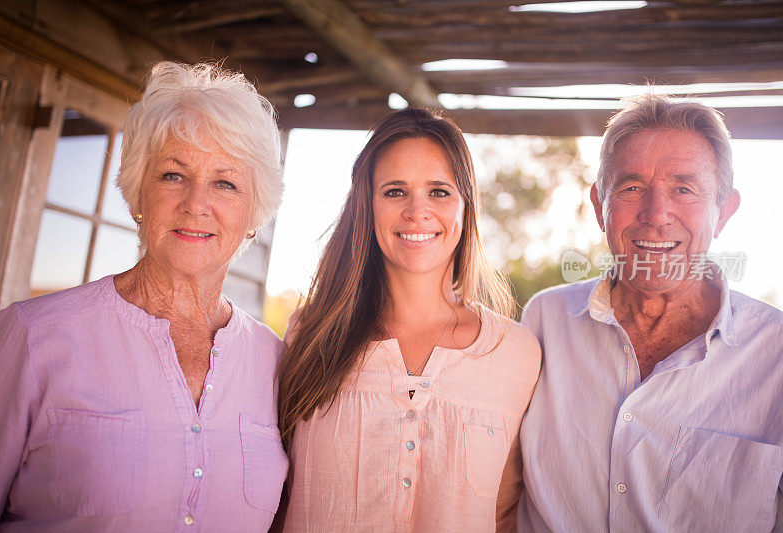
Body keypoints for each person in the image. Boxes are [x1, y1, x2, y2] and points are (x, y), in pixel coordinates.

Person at [0, 61, 288, 531]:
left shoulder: (277, 364)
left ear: (255, 212)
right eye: (173, 175)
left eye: (225, 182)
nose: (195, 204)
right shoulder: (32, 337)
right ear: (138, 193)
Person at [517, 94, 783, 531]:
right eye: (632, 187)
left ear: (724, 211)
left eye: (684, 188)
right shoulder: (544, 321)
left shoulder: (775, 353)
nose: (657, 213)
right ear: (600, 206)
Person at [276, 108, 541, 532]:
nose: (417, 211)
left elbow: (506, 512)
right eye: (395, 191)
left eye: (439, 191)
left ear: (465, 205)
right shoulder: (310, 334)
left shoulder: (516, 353)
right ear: (368, 205)